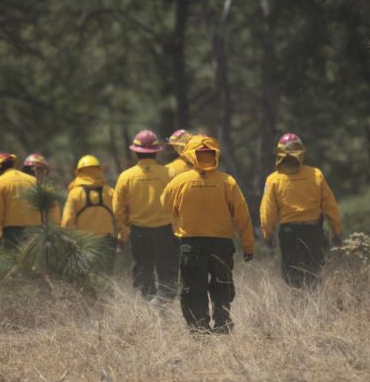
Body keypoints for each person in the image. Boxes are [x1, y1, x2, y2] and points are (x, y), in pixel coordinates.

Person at [161, 135, 254, 334]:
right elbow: (242, 216)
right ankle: (222, 325)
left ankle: (199, 330)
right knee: (222, 286)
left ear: (190, 155)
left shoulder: (179, 182)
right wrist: (248, 246)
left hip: (191, 244)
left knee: (193, 288)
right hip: (222, 244)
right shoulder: (227, 182)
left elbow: (165, 207)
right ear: (215, 154)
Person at [260, 133, 342, 289]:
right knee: (313, 271)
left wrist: (267, 233)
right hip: (313, 230)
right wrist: (337, 231)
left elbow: (267, 211)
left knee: (291, 273)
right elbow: (330, 206)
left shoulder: (273, 179)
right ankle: (312, 304)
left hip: (289, 232)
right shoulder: (315, 174)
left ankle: (300, 304)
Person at [114, 130, 179, 303]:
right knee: (167, 271)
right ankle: (162, 305)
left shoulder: (126, 177)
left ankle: (149, 304)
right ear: (157, 151)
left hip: (139, 232)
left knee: (143, 271)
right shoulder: (169, 173)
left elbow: (118, 209)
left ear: (136, 152)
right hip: (165, 232)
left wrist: (125, 227)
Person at [0, 152, 41, 249]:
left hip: (12, 235)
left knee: (15, 264)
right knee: (34, 264)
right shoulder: (33, 181)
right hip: (36, 233)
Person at [62, 155, 116, 249]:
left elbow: (67, 222)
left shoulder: (75, 194)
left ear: (79, 172)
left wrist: (70, 241)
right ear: (99, 170)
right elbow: (120, 218)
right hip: (107, 242)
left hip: (84, 245)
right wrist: (122, 237)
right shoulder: (110, 192)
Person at [22, 153, 61, 223]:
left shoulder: (48, 192)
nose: (34, 174)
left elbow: (55, 219)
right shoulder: (19, 189)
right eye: (30, 171)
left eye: (39, 170)